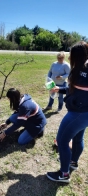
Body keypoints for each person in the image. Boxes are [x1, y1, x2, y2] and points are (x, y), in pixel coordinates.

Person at [47, 41, 88, 183]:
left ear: (79, 56)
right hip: (83, 114)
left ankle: (63, 174)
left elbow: (78, 88)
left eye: (72, 55)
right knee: (78, 138)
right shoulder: (80, 69)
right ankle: (73, 162)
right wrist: (60, 89)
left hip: (78, 113)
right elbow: (76, 90)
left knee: (62, 141)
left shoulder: (83, 70)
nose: (69, 58)